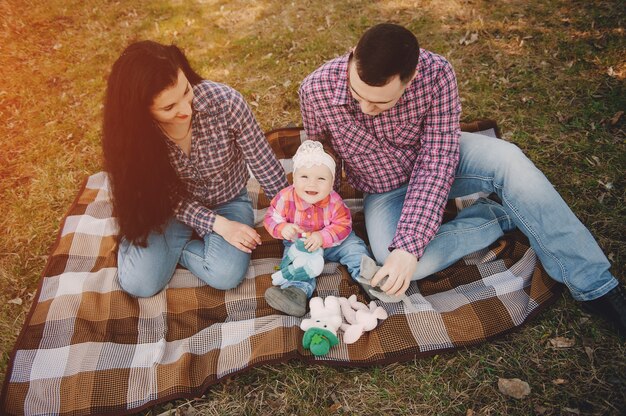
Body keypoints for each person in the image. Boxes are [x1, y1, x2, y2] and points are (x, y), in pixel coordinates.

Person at [298, 23, 625, 336]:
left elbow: (438, 159)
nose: (366, 108)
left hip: (446, 161)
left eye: (381, 102)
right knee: (394, 260)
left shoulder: (437, 73)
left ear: (410, 78)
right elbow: (320, 153)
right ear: (353, 55)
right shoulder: (315, 89)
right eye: (358, 97)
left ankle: (594, 283)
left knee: (508, 159)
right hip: (385, 188)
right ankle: (498, 214)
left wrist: (410, 242)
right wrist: (318, 202)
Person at [102, 41, 288, 297]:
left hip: (228, 199)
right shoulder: (135, 138)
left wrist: (292, 214)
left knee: (226, 274)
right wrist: (218, 225)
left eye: (186, 90)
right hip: (169, 210)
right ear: (140, 112)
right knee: (139, 284)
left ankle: (180, 248)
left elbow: (264, 163)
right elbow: (165, 196)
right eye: (169, 108)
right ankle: (163, 245)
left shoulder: (226, 102)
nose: (186, 110)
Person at [263, 140, 370, 316]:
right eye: (304, 177)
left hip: (334, 243)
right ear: (294, 177)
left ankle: (368, 278)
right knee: (296, 264)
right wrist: (282, 227)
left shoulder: (335, 202)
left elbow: (343, 224)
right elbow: (270, 218)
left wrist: (323, 236)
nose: (312, 184)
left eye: (321, 179)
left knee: (354, 248)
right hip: (301, 245)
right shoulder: (285, 198)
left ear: (331, 182)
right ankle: (295, 293)